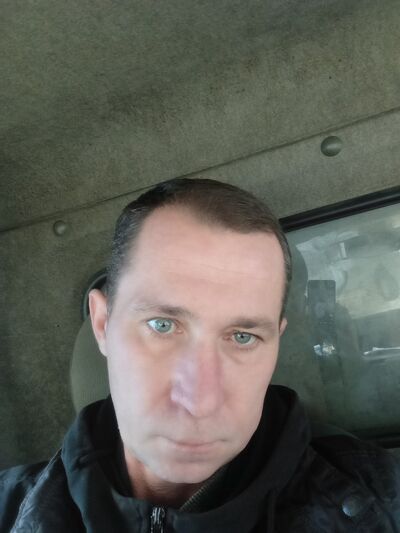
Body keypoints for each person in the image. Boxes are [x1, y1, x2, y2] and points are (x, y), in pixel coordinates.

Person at [1, 178, 400, 532]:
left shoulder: (383, 502)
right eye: (162, 325)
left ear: (276, 342)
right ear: (103, 324)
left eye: (242, 336)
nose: (200, 402)